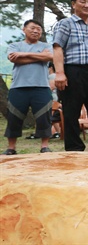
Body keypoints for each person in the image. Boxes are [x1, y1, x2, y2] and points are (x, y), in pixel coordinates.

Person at [53, 0, 88, 152]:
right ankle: (74, 151)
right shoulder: (66, 23)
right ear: (73, 4)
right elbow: (57, 47)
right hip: (73, 73)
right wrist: (60, 73)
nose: (86, 5)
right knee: (70, 113)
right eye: (82, 1)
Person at [3, 20, 53, 155]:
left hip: (41, 86)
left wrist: (23, 54)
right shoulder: (15, 45)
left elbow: (49, 56)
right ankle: (11, 148)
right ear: (24, 29)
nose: (36, 31)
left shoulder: (47, 45)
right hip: (18, 87)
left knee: (44, 117)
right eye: (32, 28)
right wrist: (40, 56)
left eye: (39, 29)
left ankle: (44, 146)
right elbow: (14, 59)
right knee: (13, 117)